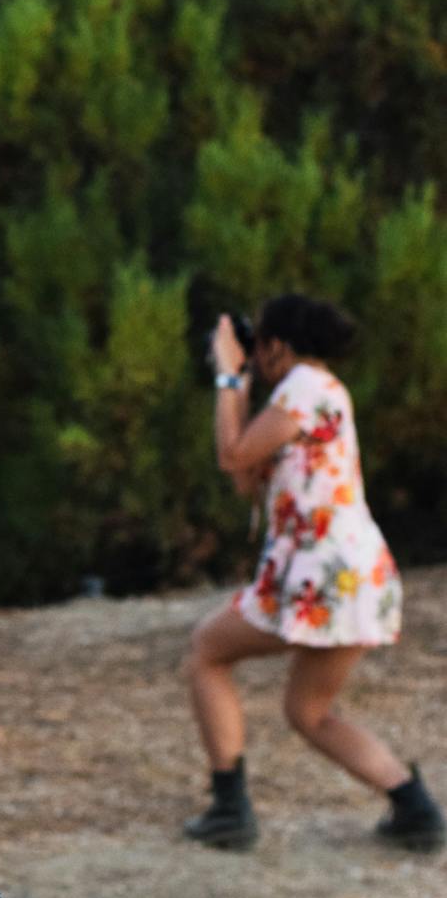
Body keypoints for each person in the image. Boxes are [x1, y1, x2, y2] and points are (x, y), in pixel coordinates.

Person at [183, 293, 443, 854]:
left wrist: (229, 379)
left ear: (276, 346)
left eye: (259, 352)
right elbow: (245, 475)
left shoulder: (303, 387)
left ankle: (230, 807)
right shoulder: (316, 394)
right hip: (352, 577)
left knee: (207, 650)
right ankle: (413, 806)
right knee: (307, 711)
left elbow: (230, 458)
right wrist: (239, 388)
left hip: (321, 577)